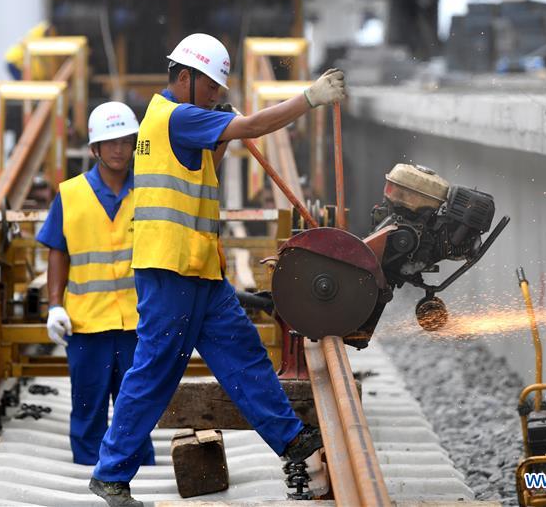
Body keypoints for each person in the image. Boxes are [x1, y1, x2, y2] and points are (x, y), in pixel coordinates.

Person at [88, 33, 346, 507]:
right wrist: (309, 98)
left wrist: (224, 131)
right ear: (183, 78)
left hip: (199, 269)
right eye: (210, 88)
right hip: (170, 270)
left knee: (242, 352)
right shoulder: (179, 115)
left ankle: (291, 441)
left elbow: (205, 163)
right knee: (155, 372)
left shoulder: (170, 119)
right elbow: (251, 127)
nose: (215, 97)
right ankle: (110, 474)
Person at [36, 102, 156, 467]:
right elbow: (59, 251)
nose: (119, 149)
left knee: (135, 408)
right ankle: (88, 474)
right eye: (110, 142)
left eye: (126, 141)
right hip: (87, 324)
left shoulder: (151, 191)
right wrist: (55, 305)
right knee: (88, 406)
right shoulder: (70, 194)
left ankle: (137, 473)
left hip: (138, 324)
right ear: (94, 149)